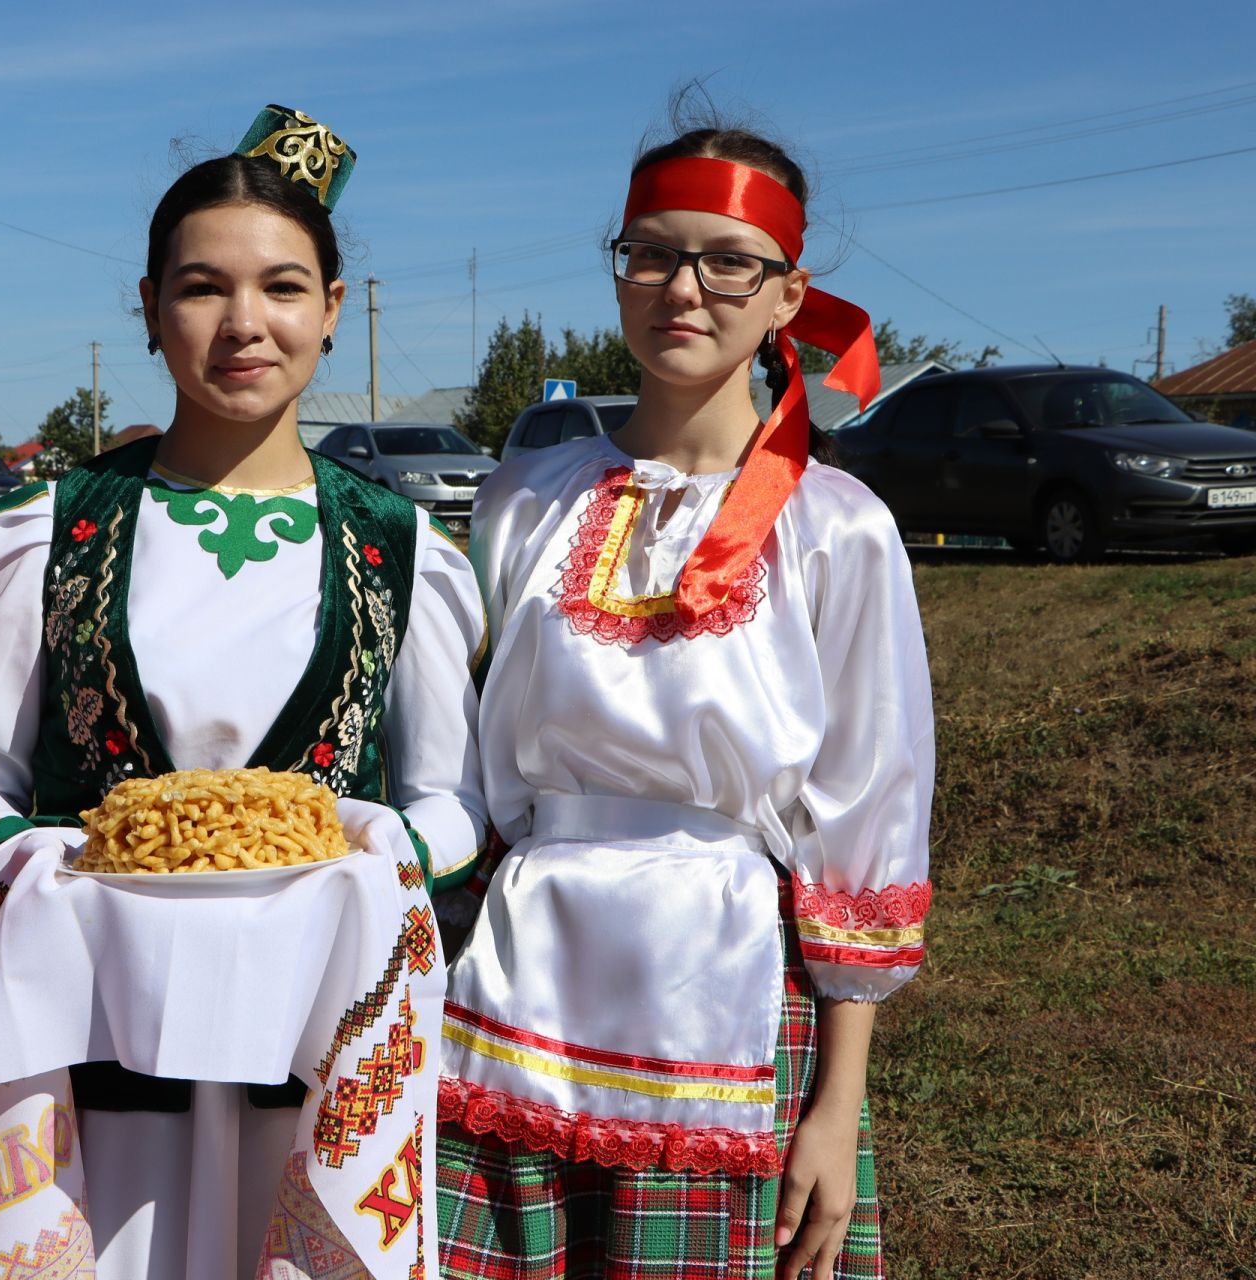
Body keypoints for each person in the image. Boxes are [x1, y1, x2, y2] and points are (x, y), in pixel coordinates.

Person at [0, 107, 486, 1278]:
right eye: (202, 288)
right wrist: (40, 862)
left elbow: (449, 797)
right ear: (148, 309)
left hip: (311, 1057)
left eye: (283, 286)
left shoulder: (403, 549)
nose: (245, 324)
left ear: (332, 311)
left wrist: (375, 851)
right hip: (101, 1051)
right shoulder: (50, 532)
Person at [437, 112, 935, 1280]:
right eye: (652, 253)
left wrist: (836, 1103)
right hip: (523, 967)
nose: (683, 288)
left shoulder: (836, 527)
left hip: (732, 990)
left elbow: (865, 803)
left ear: (785, 294)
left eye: (727, 260)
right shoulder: (524, 497)